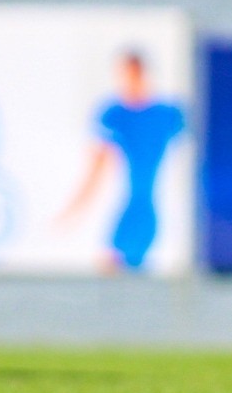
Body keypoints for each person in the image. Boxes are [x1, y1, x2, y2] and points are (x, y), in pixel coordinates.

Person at [55, 50, 187, 273]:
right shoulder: (114, 114)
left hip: (148, 216)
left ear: (142, 74)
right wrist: (72, 212)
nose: (128, 83)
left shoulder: (167, 114)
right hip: (129, 212)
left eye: (133, 75)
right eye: (123, 76)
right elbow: (95, 171)